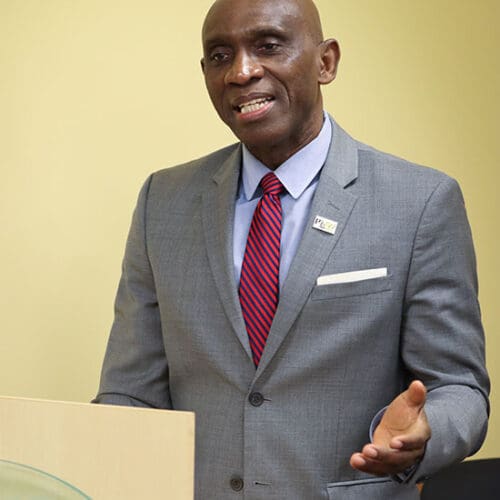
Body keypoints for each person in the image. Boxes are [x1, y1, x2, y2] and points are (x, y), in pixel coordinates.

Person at [93, 0, 490, 498]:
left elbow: (461, 388)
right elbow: (130, 392)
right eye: (220, 55)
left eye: (268, 46)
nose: (241, 71)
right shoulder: (163, 202)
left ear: (326, 62)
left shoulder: (420, 202)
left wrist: (423, 431)